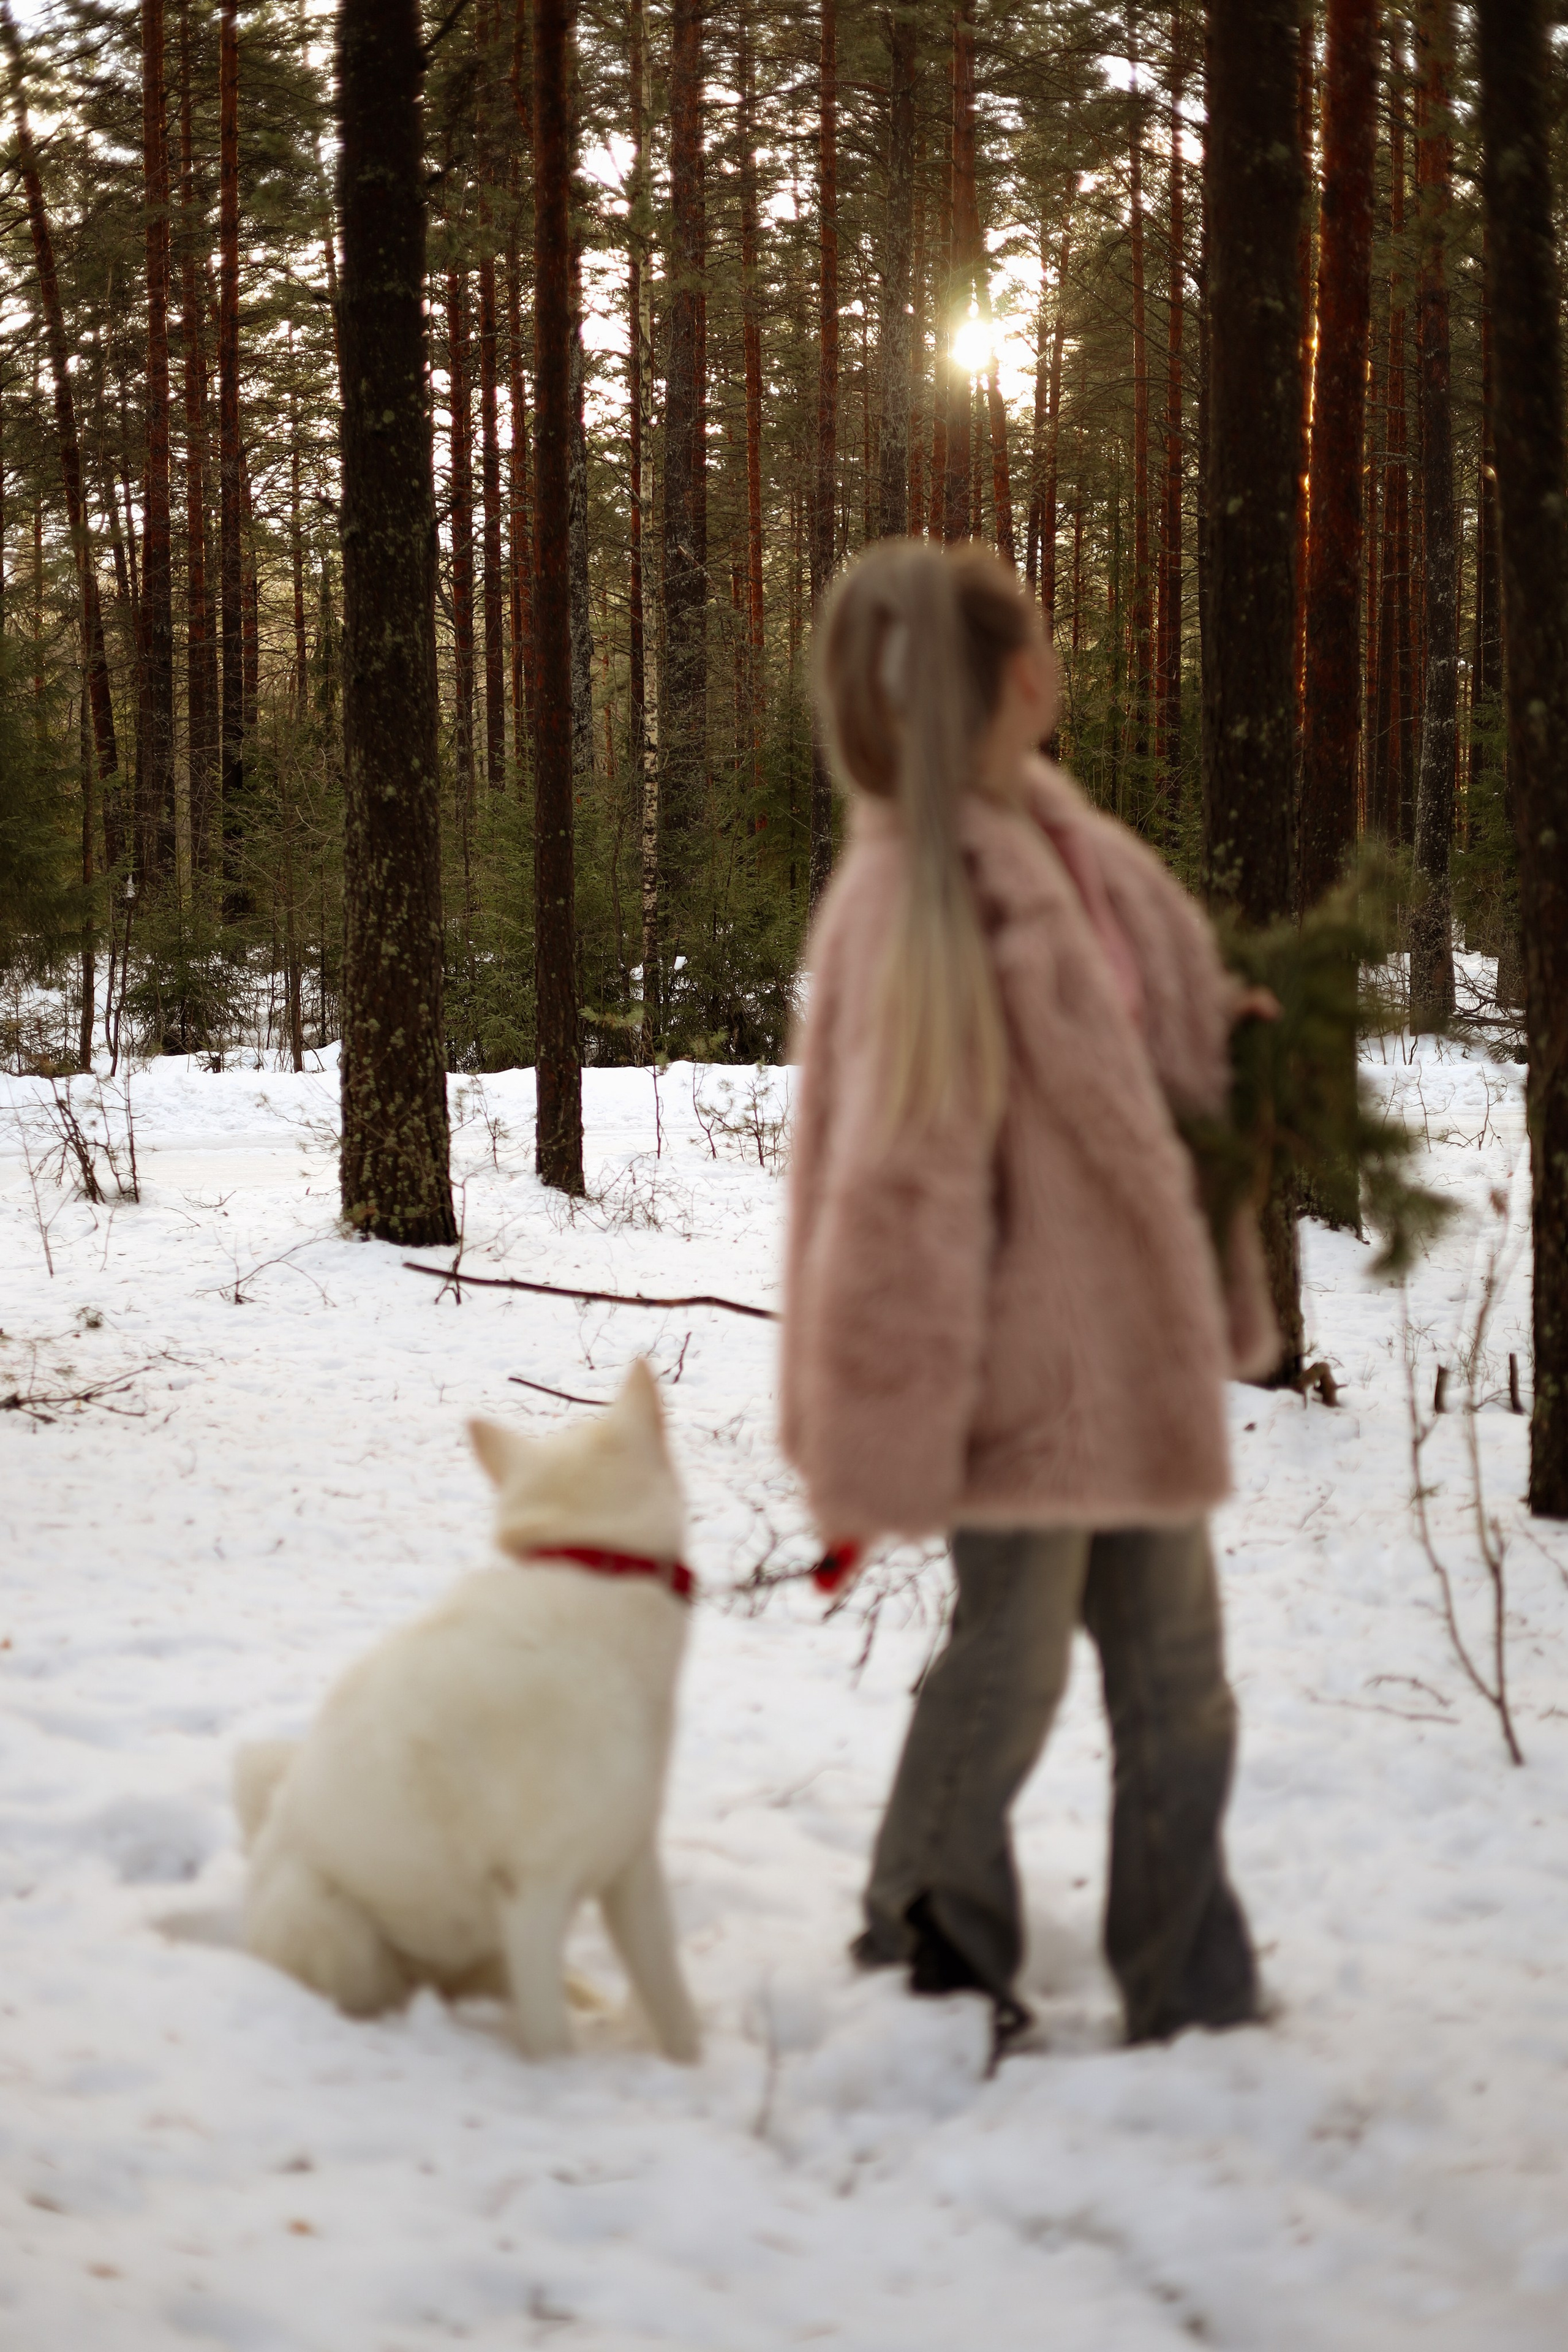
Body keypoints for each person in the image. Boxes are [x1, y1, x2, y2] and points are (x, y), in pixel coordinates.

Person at [780, 540, 1280, 2055]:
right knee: (1011, 1665)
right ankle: (925, 1938)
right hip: (1005, 1365)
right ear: (1006, 678)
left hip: (1132, 1349)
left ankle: (1188, 1986)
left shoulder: (1072, 845)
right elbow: (894, 1189)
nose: (1054, 665)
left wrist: (1249, 1055)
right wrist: (892, 1421)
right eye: (1040, 646)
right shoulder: (911, 896)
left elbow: (1146, 1065)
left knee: (1179, 1684)